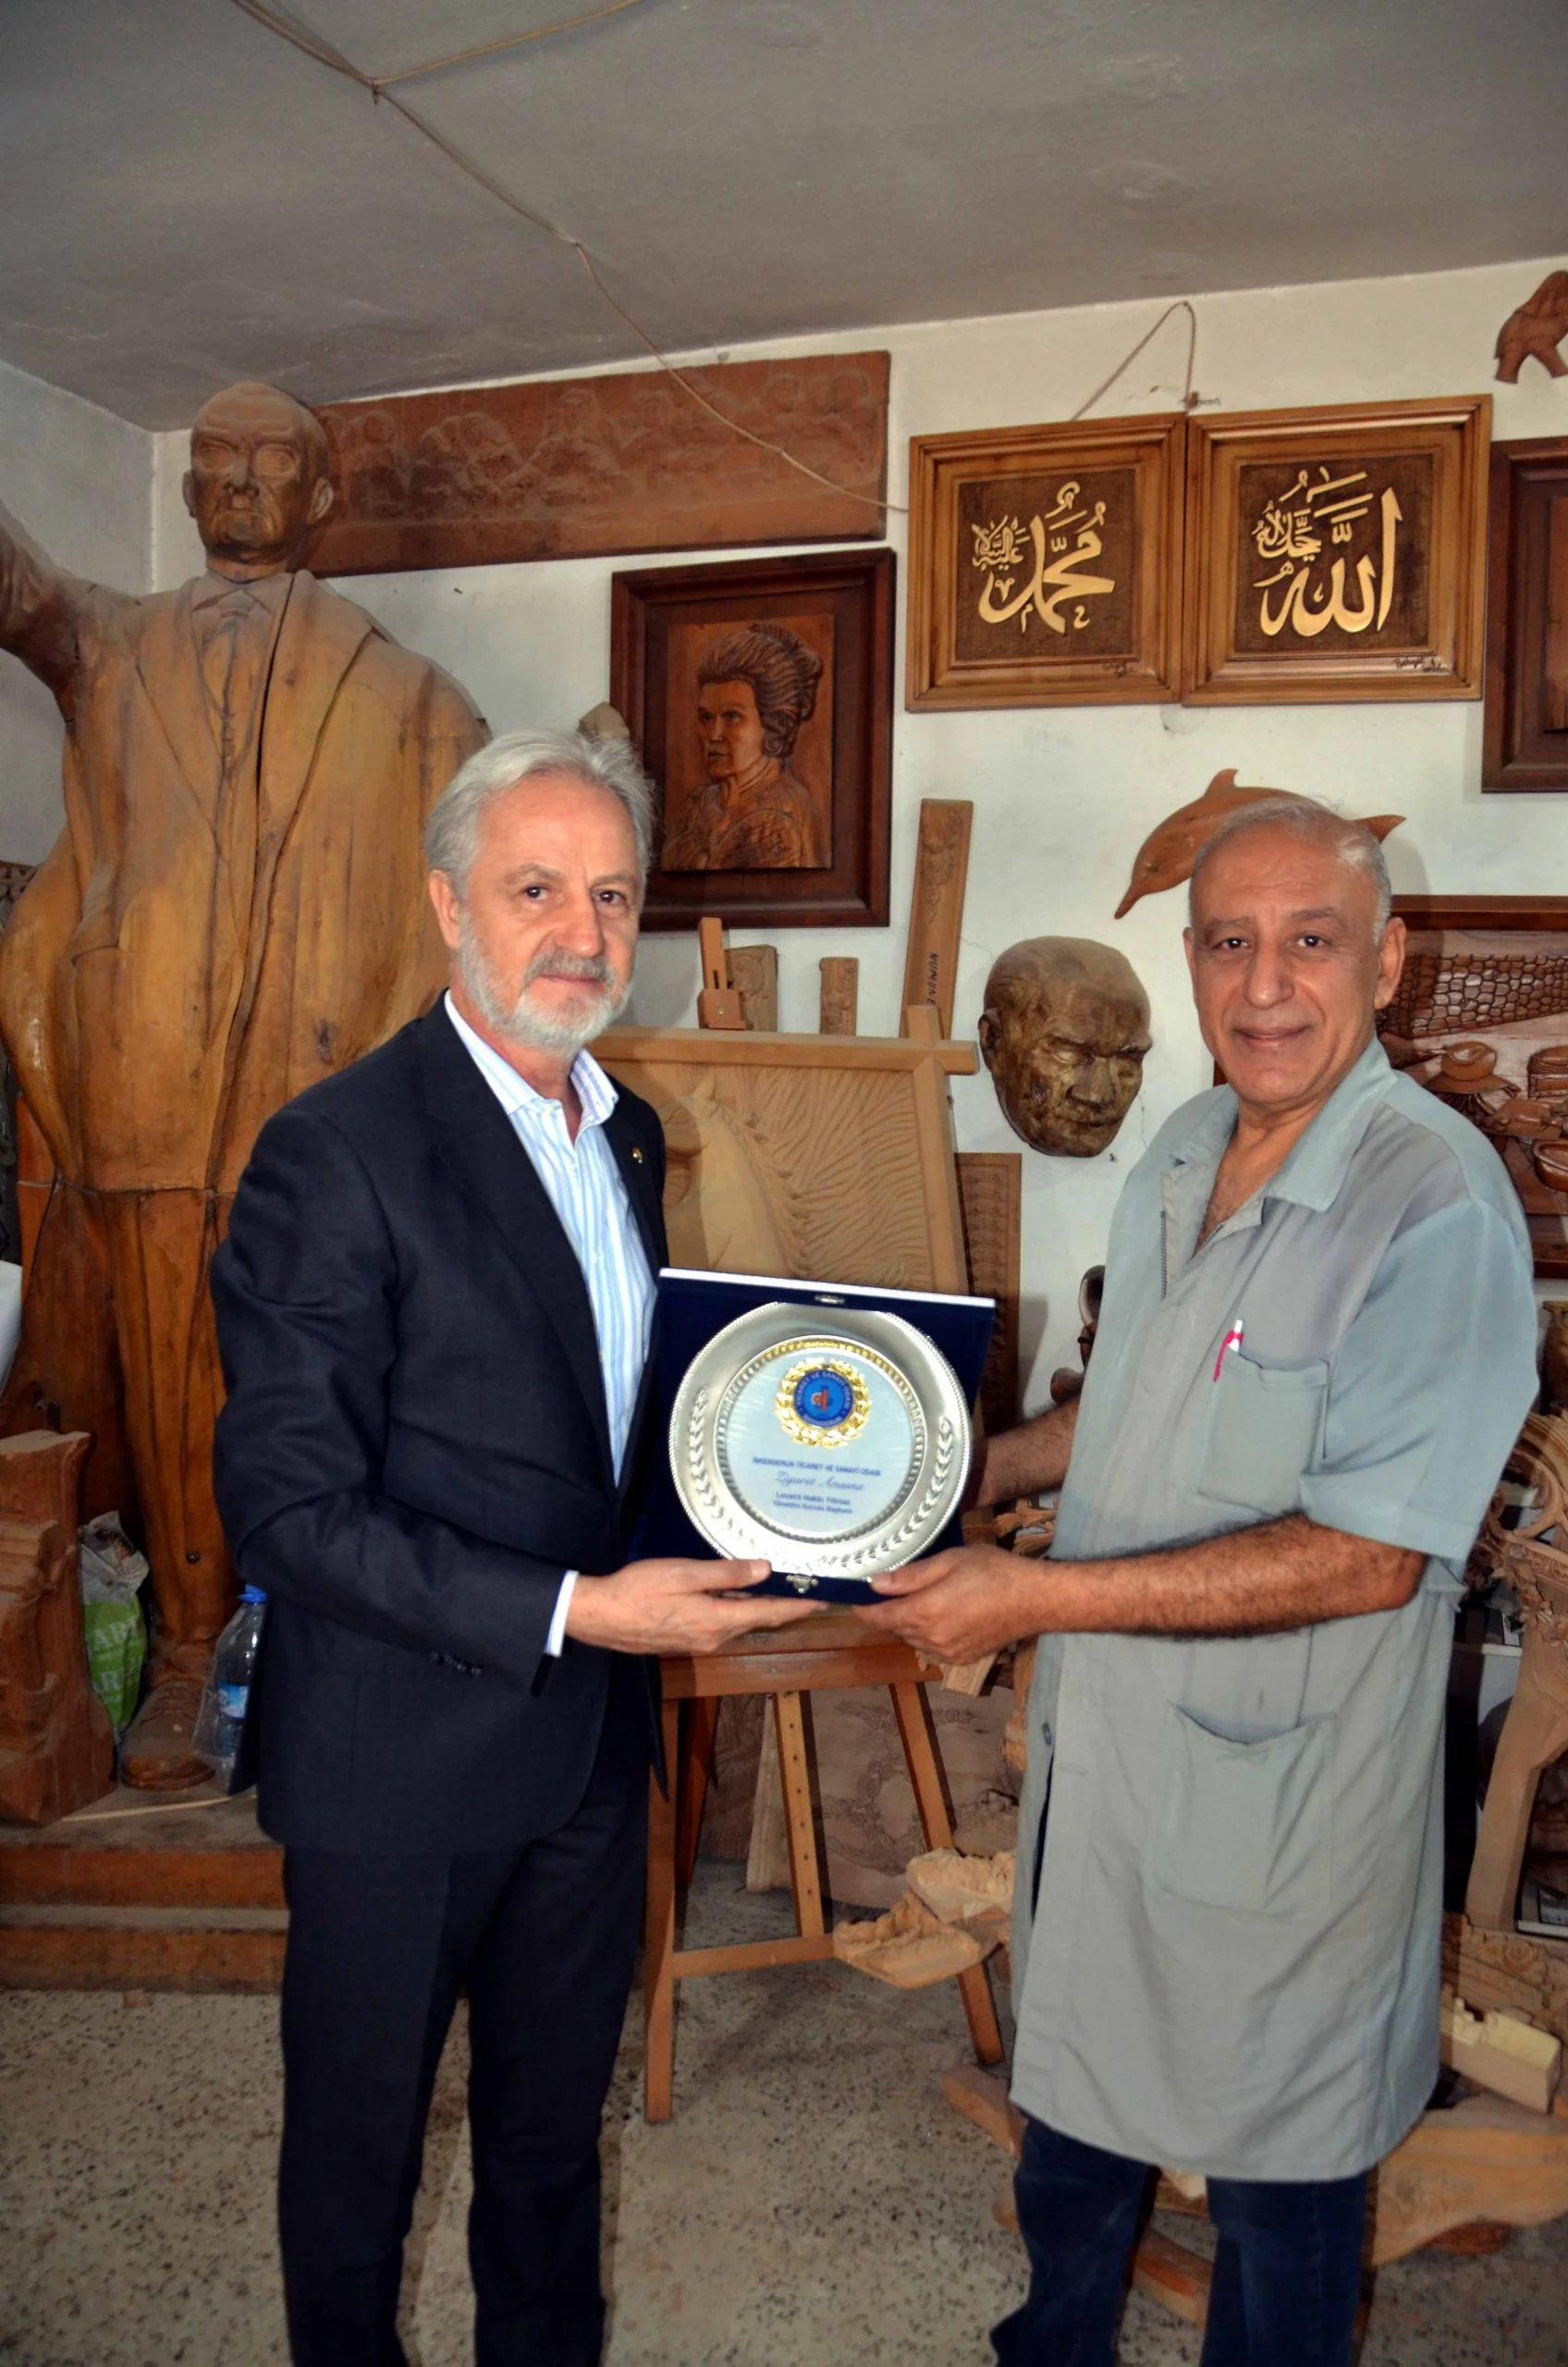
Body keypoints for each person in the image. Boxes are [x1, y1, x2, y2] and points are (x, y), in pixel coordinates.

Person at [858, 796, 1538, 2366]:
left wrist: (1027, 1600)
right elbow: (1134, 1405)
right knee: (1073, 2122)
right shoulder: (1181, 1149)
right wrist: (972, 1472)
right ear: (1190, 959)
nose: (1266, 985)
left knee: (1280, 2180)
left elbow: (1372, 1555)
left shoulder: (1434, 1205)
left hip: (1282, 1803)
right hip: (1108, 1764)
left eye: (1312, 942)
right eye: (1231, 943)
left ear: (1390, 962)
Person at [209, 728, 810, 2367]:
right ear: (446, 906)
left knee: (551, 2155)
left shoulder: (625, 1132)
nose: (581, 933)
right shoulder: (337, 1149)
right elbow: (288, 1507)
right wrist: (577, 1608)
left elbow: (610, 1422)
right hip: (395, 1762)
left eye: (611, 895)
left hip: (588, 1759)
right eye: (535, 889)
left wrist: (777, 1514)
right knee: (358, 2175)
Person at [0, 378, 485, 1786]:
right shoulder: (113, 643)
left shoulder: (414, 698)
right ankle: (186, 1653)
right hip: (146, 1080)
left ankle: (327, 1651)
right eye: (213, 458)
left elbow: (468, 906)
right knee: (165, 1384)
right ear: (186, 486)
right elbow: (23, 595)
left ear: (320, 498)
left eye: (272, 460)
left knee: (325, 1380)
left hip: (320, 1091)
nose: (237, 480)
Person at [660, 620, 828, 871]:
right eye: (706, 718)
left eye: (732, 716)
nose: (714, 734)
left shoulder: (780, 820)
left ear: (775, 723)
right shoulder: (699, 806)